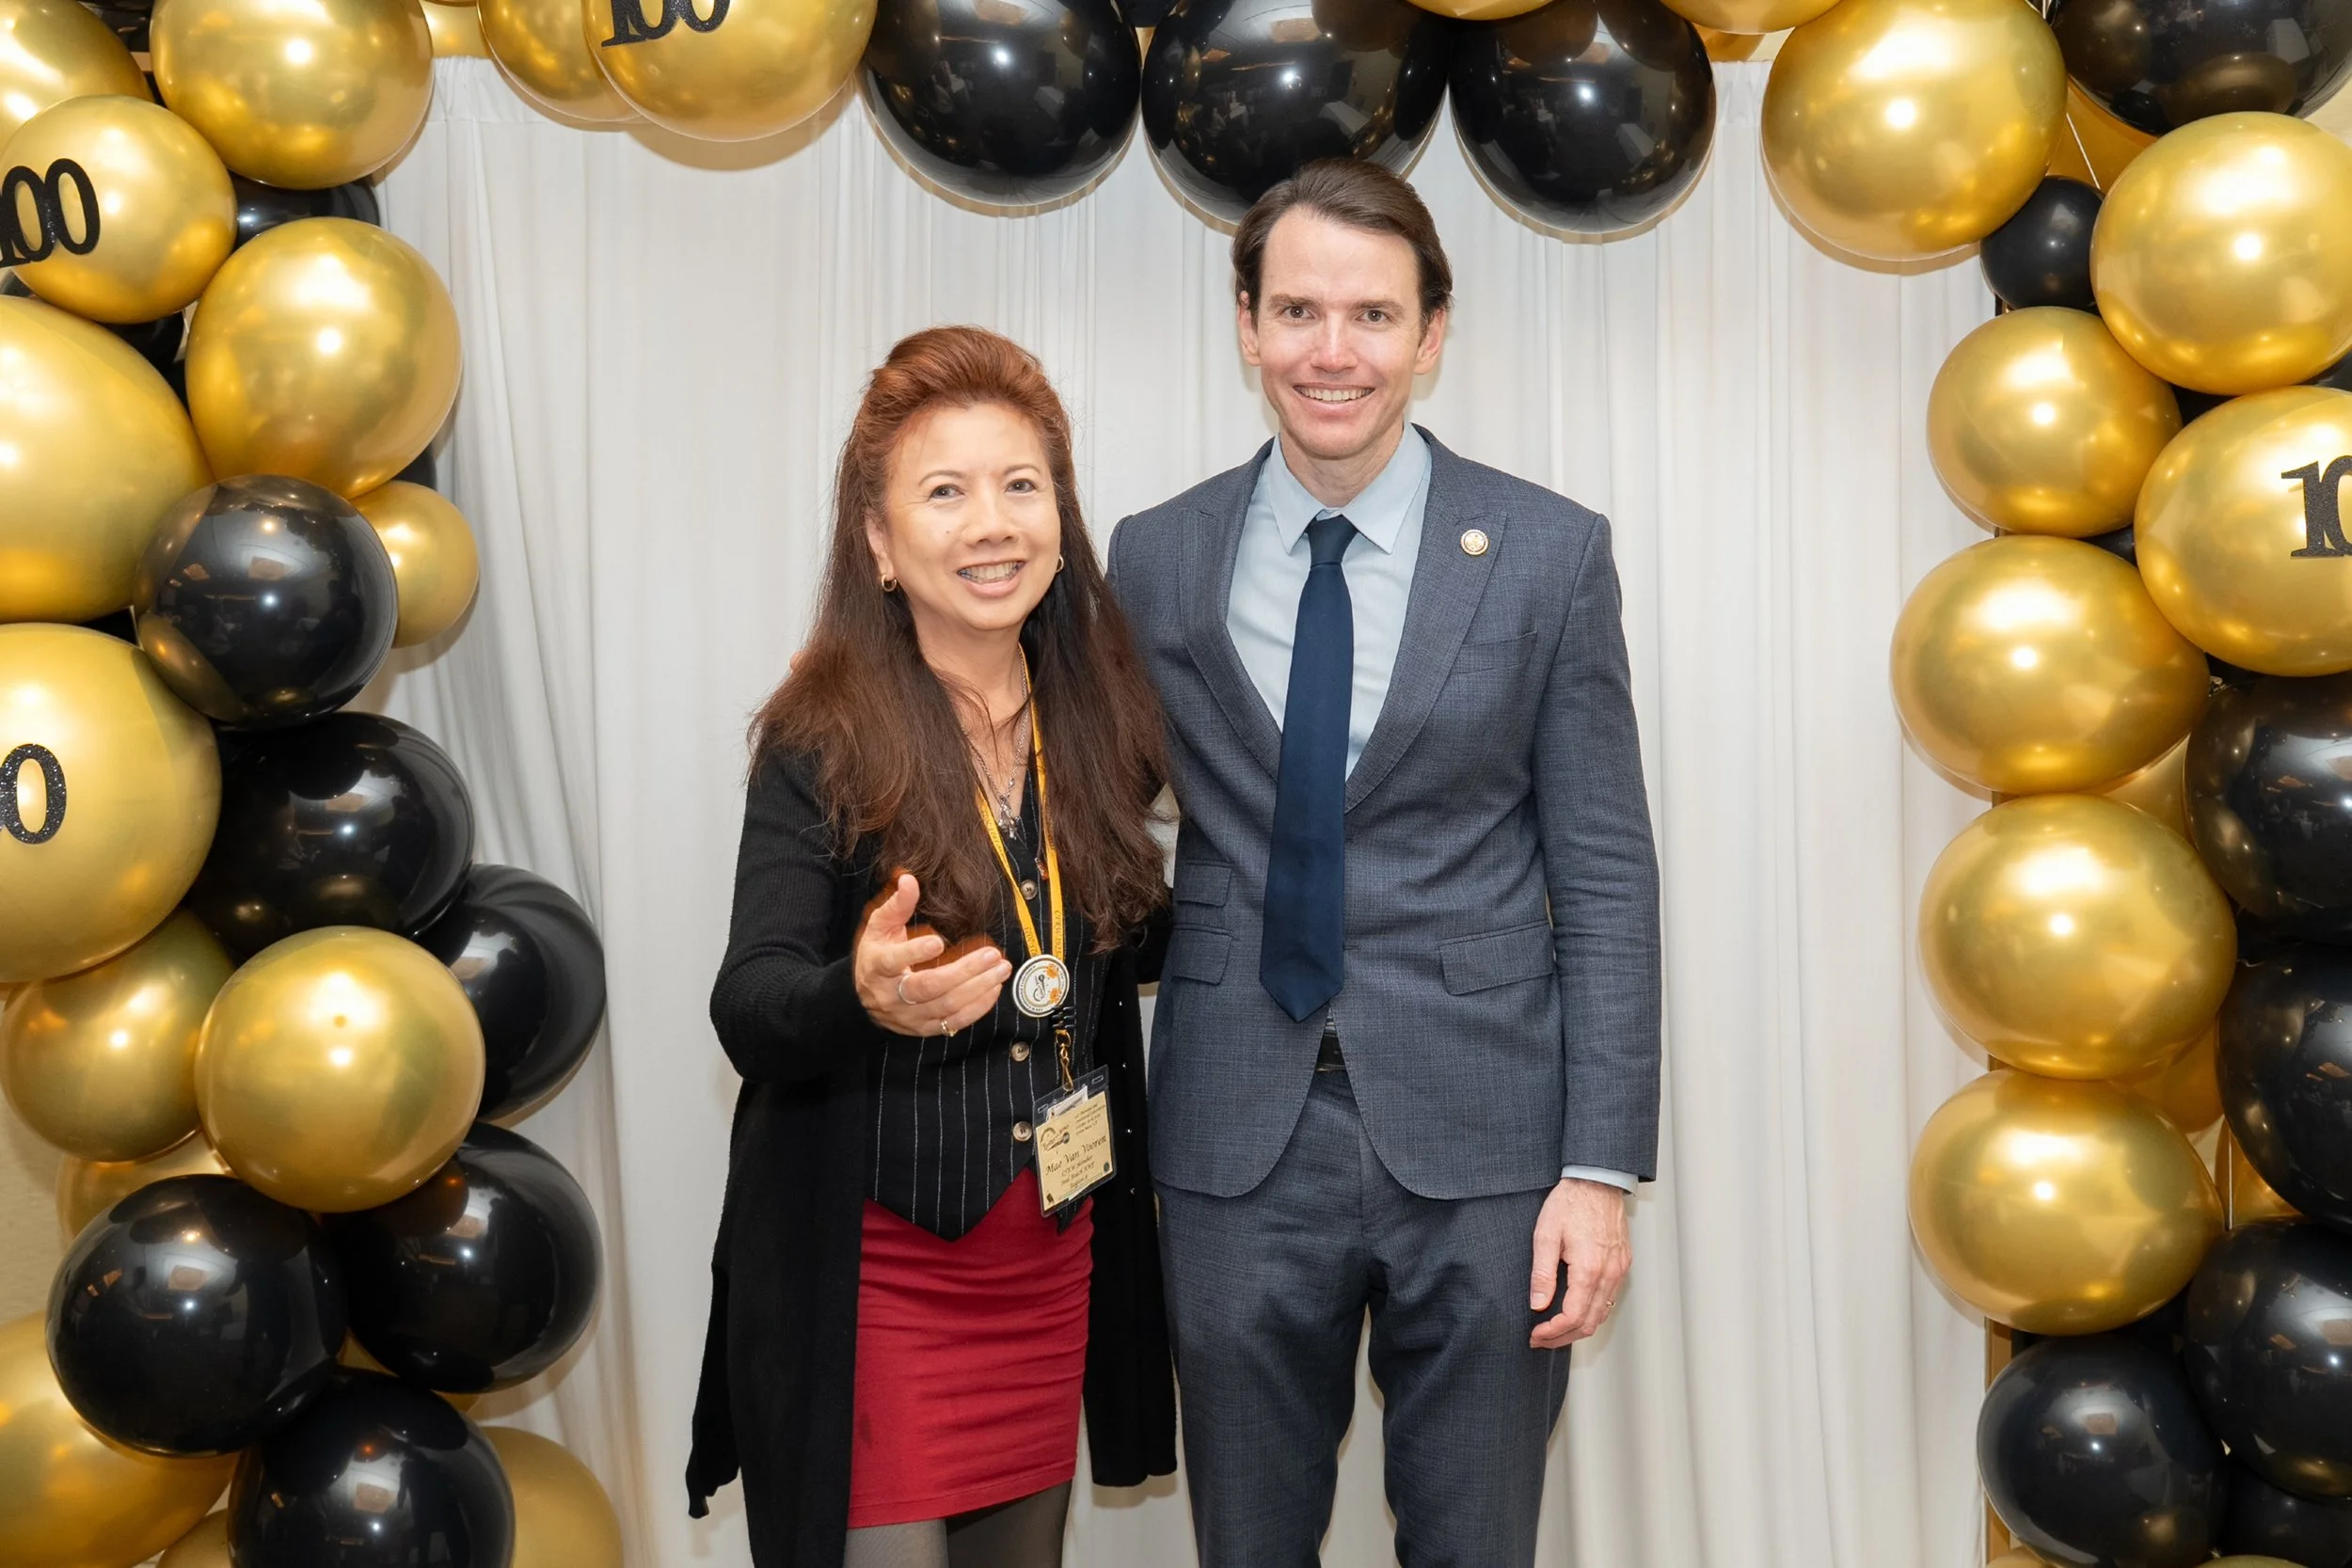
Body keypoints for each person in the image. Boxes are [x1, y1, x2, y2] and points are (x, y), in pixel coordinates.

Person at [1105, 159, 1663, 1566]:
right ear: (1246, 324)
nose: (1332, 351)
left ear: (1431, 333)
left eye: (1372, 315)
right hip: (1235, 1133)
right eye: (1297, 310)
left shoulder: (1547, 554)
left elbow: (1605, 872)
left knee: (1475, 1542)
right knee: (1248, 1544)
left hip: (1490, 1142)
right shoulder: (1155, 557)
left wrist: (1600, 1169)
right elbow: (1093, 821)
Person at [687, 325, 1179, 1568]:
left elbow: (1121, 937)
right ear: (879, 542)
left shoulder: (1104, 714)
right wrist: (860, 993)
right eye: (946, 492)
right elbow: (750, 1002)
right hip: (882, 1274)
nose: (992, 525)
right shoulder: (823, 731)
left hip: (1052, 1257)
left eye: (1021, 486)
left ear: (1060, 517)